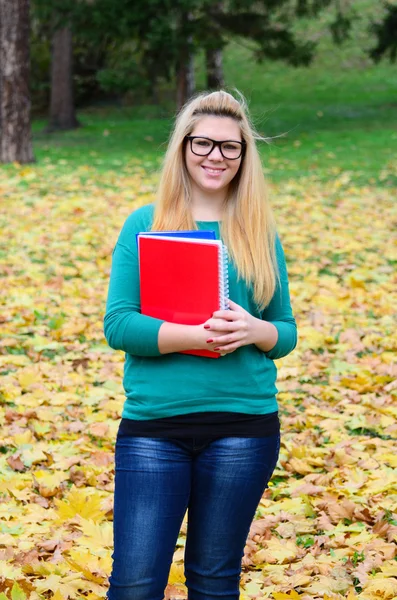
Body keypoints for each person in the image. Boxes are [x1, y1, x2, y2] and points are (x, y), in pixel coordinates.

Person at [104, 89, 297, 600]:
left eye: (230, 148)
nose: (216, 156)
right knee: (135, 584)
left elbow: (286, 331)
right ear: (183, 147)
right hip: (154, 428)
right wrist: (199, 337)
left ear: (243, 157)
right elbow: (119, 325)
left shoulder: (257, 232)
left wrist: (255, 331)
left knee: (214, 582)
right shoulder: (146, 224)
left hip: (244, 427)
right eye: (204, 144)